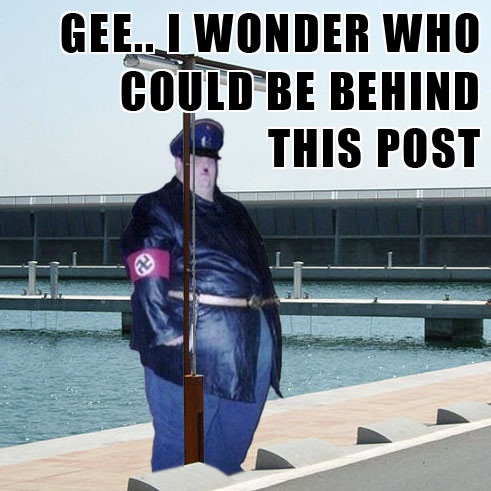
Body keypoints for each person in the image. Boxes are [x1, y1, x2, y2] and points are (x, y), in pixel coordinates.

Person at [119, 118, 282, 475]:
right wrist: (165, 332)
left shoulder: (235, 212)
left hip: (249, 347)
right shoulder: (157, 208)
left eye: (210, 159)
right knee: (180, 450)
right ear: (179, 163)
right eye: (196, 159)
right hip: (193, 346)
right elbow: (147, 268)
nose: (205, 165)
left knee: (229, 448)